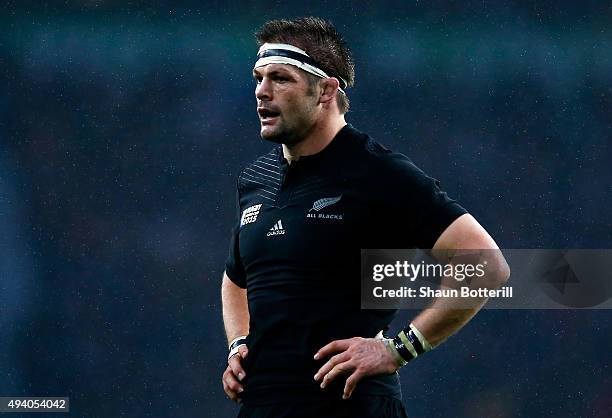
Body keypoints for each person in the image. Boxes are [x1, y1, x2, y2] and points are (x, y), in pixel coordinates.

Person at [221, 17, 510, 418]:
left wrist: (398, 349)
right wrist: (238, 344)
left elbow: (485, 266)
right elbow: (236, 278)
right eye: (259, 77)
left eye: (280, 79)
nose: (261, 92)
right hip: (261, 406)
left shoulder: (379, 173)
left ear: (325, 90)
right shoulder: (256, 179)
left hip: (349, 406)